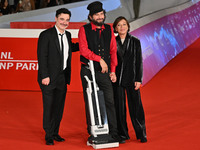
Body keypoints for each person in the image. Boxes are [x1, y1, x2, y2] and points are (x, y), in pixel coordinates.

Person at [78, 1, 124, 144]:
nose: (100, 17)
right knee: (91, 101)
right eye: (97, 15)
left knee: (109, 101)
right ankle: (93, 132)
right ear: (91, 16)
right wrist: (99, 59)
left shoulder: (109, 29)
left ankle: (114, 133)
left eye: (101, 14)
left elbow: (112, 51)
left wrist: (113, 70)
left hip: (105, 72)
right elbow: (84, 50)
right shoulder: (83, 29)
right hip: (88, 71)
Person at [37, 8, 79, 145]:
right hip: (48, 78)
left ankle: (55, 132)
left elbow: (70, 48)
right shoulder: (46, 35)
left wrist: (86, 45)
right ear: (56, 18)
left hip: (62, 77)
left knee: (59, 107)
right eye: (62, 19)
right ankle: (48, 135)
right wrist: (44, 75)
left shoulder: (67, 35)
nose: (64, 22)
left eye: (67, 20)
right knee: (49, 106)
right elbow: (42, 57)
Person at [112, 16, 147, 143]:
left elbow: (139, 62)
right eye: (119, 25)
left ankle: (141, 133)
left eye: (124, 24)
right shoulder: (112, 42)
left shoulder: (135, 41)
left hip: (132, 78)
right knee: (119, 108)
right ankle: (122, 134)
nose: (122, 27)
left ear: (128, 26)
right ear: (115, 28)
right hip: (117, 80)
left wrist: (139, 79)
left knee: (136, 106)